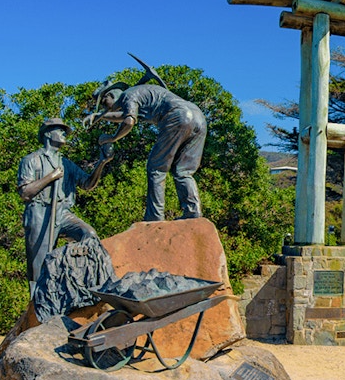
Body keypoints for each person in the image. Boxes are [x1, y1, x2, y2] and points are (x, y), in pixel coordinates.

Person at [83, 60, 207, 222]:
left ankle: (154, 217)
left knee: (156, 167)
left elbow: (129, 121)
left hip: (177, 117)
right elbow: (124, 116)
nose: (106, 108)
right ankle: (192, 211)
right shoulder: (138, 93)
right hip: (198, 117)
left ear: (110, 95)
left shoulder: (129, 95)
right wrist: (98, 116)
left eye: (104, 104)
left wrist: (111, 138)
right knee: (183, 171)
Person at [18, 118, 111, 283]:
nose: (63, 134)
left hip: (62, 212)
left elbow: (88, 183)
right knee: (38, 266)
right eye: (60, 130)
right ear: (47, 134)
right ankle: (37, 301)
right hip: (40, 212)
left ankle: (79, 278)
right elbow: (25, 193)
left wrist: (102, 162)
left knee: (89, 235)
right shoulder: (31, 160)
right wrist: (51, 177)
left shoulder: (66, 163)